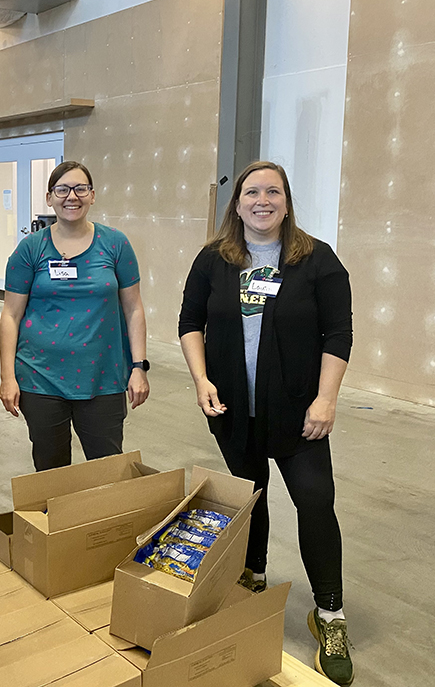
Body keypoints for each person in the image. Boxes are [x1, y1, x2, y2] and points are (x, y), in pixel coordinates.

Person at [178, 161, 354, 685]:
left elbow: (338, 335)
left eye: (272, 191)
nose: (261, 200)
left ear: (286, 200)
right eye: (251, 192)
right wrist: (201, 379)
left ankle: (329, 613)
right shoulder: (214, 260)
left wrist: (326, 400)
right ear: (237, 204)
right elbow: (190, 322)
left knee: (315, 500)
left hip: (301, 415)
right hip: (233, 408)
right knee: (249, 496)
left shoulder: (317, 260)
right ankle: (250, 577)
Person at [0, 160, 149, 471]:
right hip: (39, 378)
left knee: (108, 470)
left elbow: (133, 308)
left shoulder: (115, 244)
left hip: (103, 378)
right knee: (51, 472)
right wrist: (7, 377)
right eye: (62, 189)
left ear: (92, 195)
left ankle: (104, 522)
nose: (72, 196)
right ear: (49, 197)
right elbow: (10, 315)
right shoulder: (30, 250)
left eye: (81, 188)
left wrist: (139, 367)